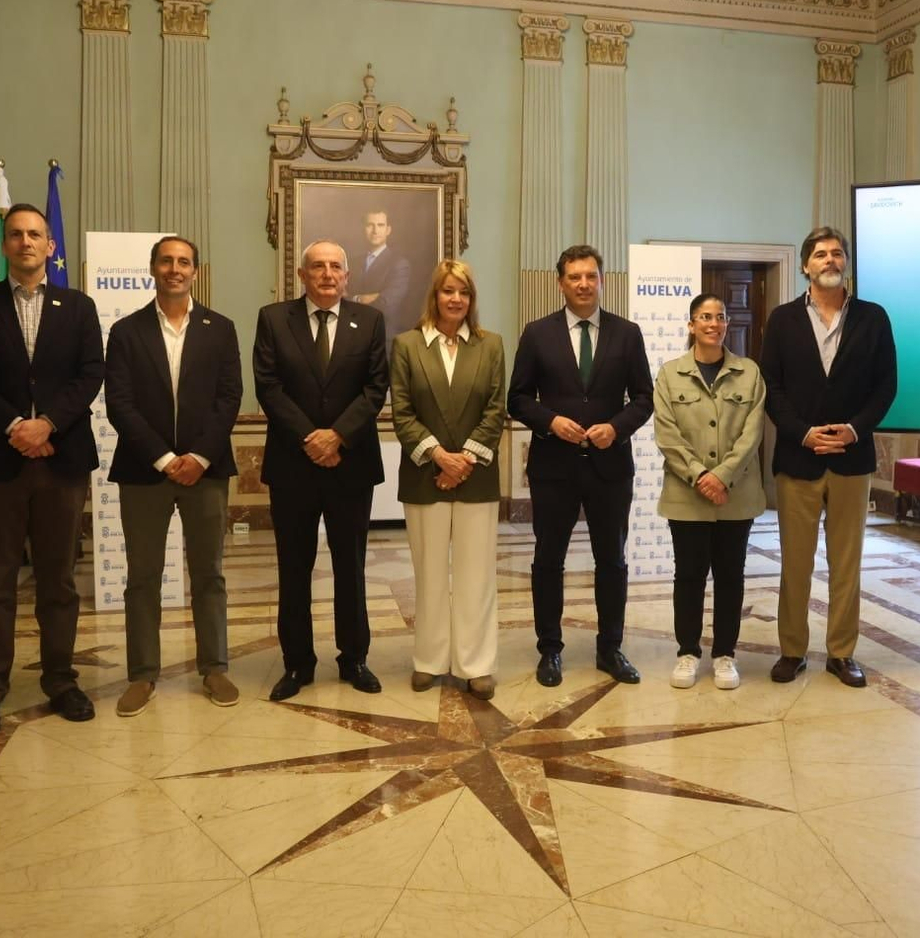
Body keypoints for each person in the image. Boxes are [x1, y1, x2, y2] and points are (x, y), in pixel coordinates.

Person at [0, 203, 105, 736]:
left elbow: (90, 376)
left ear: (50, 246)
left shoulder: (78, 307)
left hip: (61, 461)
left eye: (35, 234)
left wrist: (48, 426)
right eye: (15, 235)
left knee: (58, 579)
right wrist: (16, 424)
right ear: (5, 246)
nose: (25, 242)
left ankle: (60, 679)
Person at [103, 235, 243, 716]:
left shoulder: (220, 329)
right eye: (166, 261)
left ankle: (215, 667)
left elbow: (230, 398)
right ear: (152, 268)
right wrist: (165, 459)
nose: (175, 269)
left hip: (206, 471)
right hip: (145, 473)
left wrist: (198, 457)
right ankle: (142, 676)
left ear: (196, 272)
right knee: (142, 576)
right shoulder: (125, 332)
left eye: (184, 262)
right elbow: (119, 403)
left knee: (209, 574)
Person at [508, 244, 653, 688]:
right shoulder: (537, 333)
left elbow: (644, 398)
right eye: (574, 277)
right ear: (561, 283)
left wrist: (617, 427)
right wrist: (550, 421)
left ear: (602, 280)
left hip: (611, 466)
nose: (584, 284)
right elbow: (517, 398)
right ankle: (550, 649)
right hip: (554, 467)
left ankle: (610, 648)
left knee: (612, 560)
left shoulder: (627, 333)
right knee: (548, 559)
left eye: (591, 276)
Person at [253, 240, 389, 700]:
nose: (328, 274)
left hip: (351, 464)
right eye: (318, 267)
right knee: (294, 568)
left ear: (347, 276)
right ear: (301, 273)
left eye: (336, 266)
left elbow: (376, 388)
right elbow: (268, 387)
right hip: (294, 464)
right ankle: (297, 664)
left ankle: (354, 658)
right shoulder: (274, 319)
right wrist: (311, 437)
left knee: (350, 567)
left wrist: (338, 436)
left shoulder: (369, 321)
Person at [761, 227, 896, 688]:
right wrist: (803, 435)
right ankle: (792, 650)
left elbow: (886, 386)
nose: (830, 260)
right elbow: (771, 388)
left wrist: (854, 430)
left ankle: (841, 653)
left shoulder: (873, 318)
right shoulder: (781, 320)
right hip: (798, 460)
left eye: (837, 254)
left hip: (852, 460)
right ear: (805, 266)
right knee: (795, 563)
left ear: (846, 264)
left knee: (847, 564)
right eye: (821, 254)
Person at [389, 260, 506, 700]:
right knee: (430, 573)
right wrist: (439, 457)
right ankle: (430, 660)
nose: (455, 299)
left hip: (476, 478)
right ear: (434, 296)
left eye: (464, 292)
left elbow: (496, 409)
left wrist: (463, 462)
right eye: (448, 291)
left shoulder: (490, 345)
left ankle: (476, 665)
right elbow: (402, 411)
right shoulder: (406, 346)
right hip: (425, 477)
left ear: (472, 300)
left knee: (477, 576)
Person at [653, 293, 766, 690]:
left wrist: (723, 476)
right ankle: (687, 652)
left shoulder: (749, 372)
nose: (713, 323)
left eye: (720, 316)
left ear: (726, 324)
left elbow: (753, 434)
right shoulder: (670, 374)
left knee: (731, 576)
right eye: (704, 317)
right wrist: (702, 476)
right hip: (687, 496)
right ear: (691, 325)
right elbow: (667, 434)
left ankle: (724, 654)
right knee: (689, 576)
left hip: (737, 495)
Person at [348, 210, 412, 350]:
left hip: (384, 340)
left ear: (388, 230)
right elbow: (340, 299)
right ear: (363, 229)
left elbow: (386, 303)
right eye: (370, 225)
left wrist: (353, 299)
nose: (375, 230)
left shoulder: (399, 264)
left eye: (380, 225)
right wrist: (361, 298)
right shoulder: (352, 263)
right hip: (352, 340)